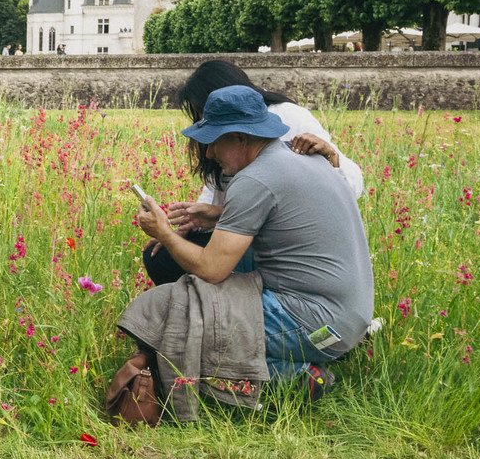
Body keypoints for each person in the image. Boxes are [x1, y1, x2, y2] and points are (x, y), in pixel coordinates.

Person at [135, 84, 373, 392]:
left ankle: (294, 378)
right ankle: (302, 360)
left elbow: (211, 269)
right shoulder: (302, 158)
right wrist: (219, 214)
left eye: (214, 142)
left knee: (179, 327)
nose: (208, 153)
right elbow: (285, 218)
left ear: (240, 138)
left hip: (316, 325)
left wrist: (163, 233)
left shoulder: (255, 179)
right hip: (348, 319)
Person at [142, 59, 363, 286]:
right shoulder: (231, 149)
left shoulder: (285, 120)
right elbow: (220, 189)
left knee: (204, 268)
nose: (207, 150)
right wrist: (193, 224)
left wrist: (331, 158)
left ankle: (222, 304)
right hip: (250, 230)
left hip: (287, 246)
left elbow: (346, 190)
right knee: (162, 258)